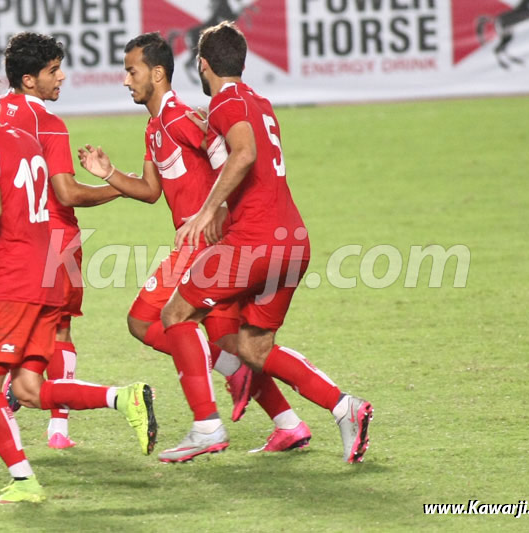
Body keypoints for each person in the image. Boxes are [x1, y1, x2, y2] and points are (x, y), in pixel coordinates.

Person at [0, 72, 157, 504]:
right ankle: (123, 397)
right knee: (27, 389)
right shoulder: (25, 141)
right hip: (49, 276)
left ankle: (23, 481)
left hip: (13, 282)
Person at [77, 32, 312, 456]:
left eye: (131, 71)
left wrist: (216, 210)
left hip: (203, 244)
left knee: (144, 321)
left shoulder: (181, 117)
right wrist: (109, 173)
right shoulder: (155, 127)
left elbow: (224, 150)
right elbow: (151, 190)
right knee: (228, 343)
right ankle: (288, 424)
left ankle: (210, 419)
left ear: (157, 73)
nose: (126, 80)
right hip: (202, 243)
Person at [158, 22, 373, 463]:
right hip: (292, 241)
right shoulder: (259, 102)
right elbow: (248, 153)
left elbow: (245, 153)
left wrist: (206, 211)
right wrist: (212, 134)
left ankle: (206, 427)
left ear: (202, 65)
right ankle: (343, 406)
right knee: (255, 348)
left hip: (254, 241)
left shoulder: (225, 102)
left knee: (175, 314)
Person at [0, 32, 123, 450]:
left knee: (13, 323)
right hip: (58, 239)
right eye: (54, 70)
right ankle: (58, 429)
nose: (62, 77)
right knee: (61, 329)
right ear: (30, 79)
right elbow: (67, 193)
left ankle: (12, 397)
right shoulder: (50, 124)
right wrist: (119, 187)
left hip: (13, 238)